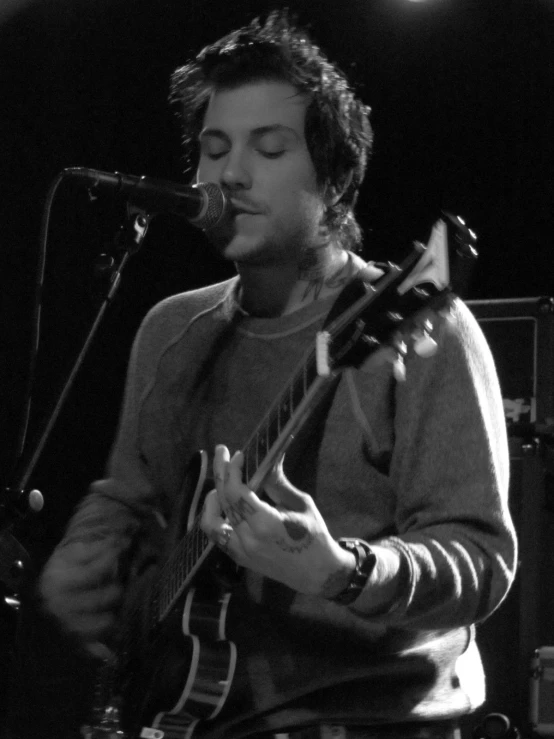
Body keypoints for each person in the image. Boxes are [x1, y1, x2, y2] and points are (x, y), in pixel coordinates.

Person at [37, 10, 517, 739]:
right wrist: (89, 556)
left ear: (333, 179)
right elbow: (131, 496)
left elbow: (481, 559)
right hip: (187, 716)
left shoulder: (422, 329)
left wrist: (340, 569)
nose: (230, 173)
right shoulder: (172, 328)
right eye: (213, 148)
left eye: (268, 147)